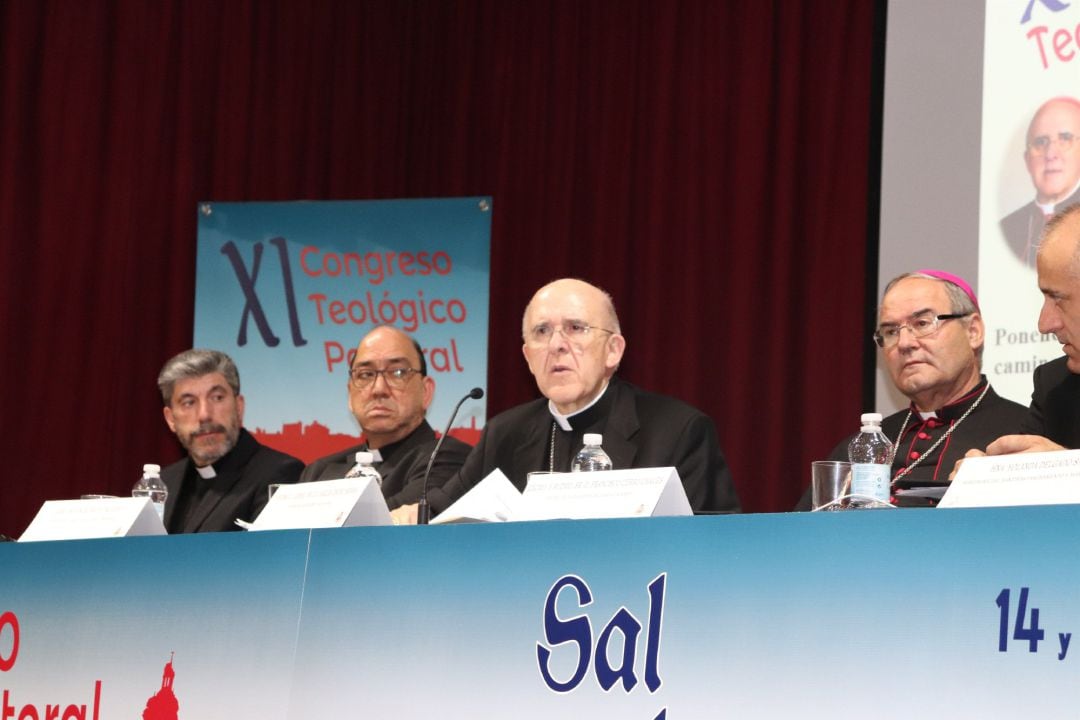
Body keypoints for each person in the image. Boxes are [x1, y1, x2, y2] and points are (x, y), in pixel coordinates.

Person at [392, 278, 739, 523]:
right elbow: (439, 510)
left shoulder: (677, 430)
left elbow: (718, 544)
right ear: (528, 357)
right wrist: (405, 516)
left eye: (576, 328)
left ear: (613, 351)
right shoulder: (505, 433)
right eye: (542, 332)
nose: (557, 344)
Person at [799, 270, 1027, 509]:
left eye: (922, 323)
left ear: (973, 331)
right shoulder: (856, 448)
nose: (905, 343)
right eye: (890, 332)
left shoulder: (1023, 435)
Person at [299, 326, 471, 509]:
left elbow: (395, 524)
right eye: (366, 375)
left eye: (398, 373)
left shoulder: (445, 459)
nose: (379, 389)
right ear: (350, 394)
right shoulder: (318, 472)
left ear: (426, 391)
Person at [158, 349, 303, 533]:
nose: (204, 415)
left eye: (217, 398)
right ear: (170, 419)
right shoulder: (164, 483)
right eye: (189, 402)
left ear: (239, 407)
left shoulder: (280, 474)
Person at [979, 205, 1080, 456]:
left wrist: (1062, 469)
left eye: (1057, 298)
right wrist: (984, 476)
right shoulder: (1054, 387)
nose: (1044, 324)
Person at [1000, 97, 1080, 266]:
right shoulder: (1008, 226)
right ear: (1027, 160)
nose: (1051, 154)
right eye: (1040, 142)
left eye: (1065, 138)